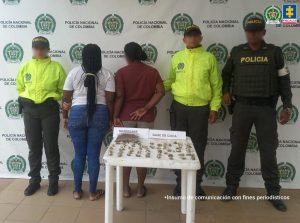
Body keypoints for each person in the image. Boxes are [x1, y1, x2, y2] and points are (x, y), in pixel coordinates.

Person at [221, 17, 292, 212]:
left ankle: (273, 193)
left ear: (263, 33)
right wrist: (225, 92)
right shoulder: (237, 52)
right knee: (237, 149)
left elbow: (284, 80)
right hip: (242, 107)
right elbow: (225, 75)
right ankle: (231, 187)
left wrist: (286, 106)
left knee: (268, 152)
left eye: (256, 31)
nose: (252, 34)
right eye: (249, 31)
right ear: (246, 32)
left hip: (266, 109)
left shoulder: (275, 52)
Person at [164, 25, 222, 197]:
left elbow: (216, 85)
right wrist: (154, 86)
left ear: (200, 38)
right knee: (179, 145)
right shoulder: (177, 57)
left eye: (196, 36)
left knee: (198, 147)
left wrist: (215, 107)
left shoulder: (209, 58)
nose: (193, 39)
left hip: (200, 110)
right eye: (189, 36)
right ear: (184, 39)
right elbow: (170, 81)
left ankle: (196, 186)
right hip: (179, 107)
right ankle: (180, 185)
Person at [62, 44, 115, 200]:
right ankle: (92, 193)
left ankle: (77, 191)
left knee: (79, 155)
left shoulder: (73, 73)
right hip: (100, 114)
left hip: (76, 114)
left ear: (83, 57)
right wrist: (111, 119)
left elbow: (66, 99)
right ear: (99, 56)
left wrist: (65, 116)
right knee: (93, 156)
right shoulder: (108, 75)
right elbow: (110, 101)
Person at [16, 36, 66, 196]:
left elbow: (63, 90)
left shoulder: (56, 67)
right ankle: (34, 181)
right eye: (36, 47)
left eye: (43, 47)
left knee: (51, 147)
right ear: (32, 49)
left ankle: (53, 181)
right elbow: (20, 86)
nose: (39, 51)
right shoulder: (26, 66)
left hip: (49, 111)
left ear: (48, 49)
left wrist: (53, 98)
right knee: (34, 148)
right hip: (30, 111)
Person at [114, 42, 165, 198]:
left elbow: (120, 96)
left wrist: (115, 115)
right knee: (142, 155)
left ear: (126, 55)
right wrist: (146, 108)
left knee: (126, 154)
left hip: (126, 116)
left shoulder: (121, 72)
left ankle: (125, 189)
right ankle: (141, 189)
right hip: (146, 117)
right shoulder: (152, 72)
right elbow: (161, 92)